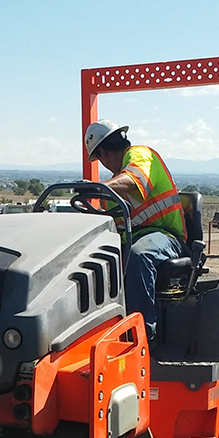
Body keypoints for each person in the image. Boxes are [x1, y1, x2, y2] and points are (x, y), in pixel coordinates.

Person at [84, 119, 187, 344]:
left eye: (99, 159)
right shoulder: (113, 185)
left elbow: (134, 179)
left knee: (139, 254)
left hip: (168, 238)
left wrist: (99, 187)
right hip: (133, 237)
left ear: (101, 153)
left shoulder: (141, 155)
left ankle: (141, 335)